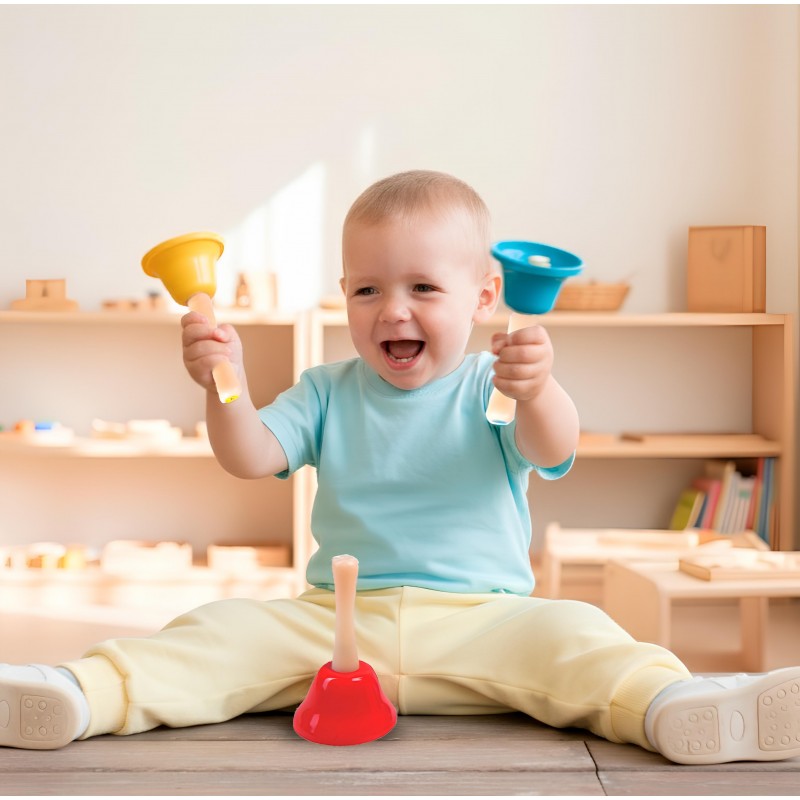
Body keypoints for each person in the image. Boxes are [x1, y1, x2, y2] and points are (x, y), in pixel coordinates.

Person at [2, 170, 798, 765]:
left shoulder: (494, 386)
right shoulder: (324, 391)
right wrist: (223, 381)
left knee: (582, 636)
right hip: (337, 624)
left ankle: (676, 705)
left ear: (485, 296)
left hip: (487, 619)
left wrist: (541, 388)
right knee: (215, 632)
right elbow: (247, 454)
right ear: (343, 296)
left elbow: (553, 449)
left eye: (423, 286)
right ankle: (75, 693)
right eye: (369, 289)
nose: (394, 309)